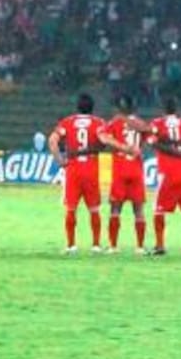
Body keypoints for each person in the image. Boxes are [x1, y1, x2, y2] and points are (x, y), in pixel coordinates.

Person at [140, 97, 181, 255]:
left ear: (163, 109)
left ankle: (160, 245)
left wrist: (171, 148)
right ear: (177, 109)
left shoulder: (157, 123)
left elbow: (152, 142)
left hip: (167, 173)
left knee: (159, 210)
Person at [48, 93, 104, 254]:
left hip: (73, 168)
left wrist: (60, 160)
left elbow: (52, 140)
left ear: (77, 107)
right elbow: (104, 140)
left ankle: (71, 246)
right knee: (94, 209)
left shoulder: (67, 122)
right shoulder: (99, 122)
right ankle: (96, 245)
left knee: (71, 208)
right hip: (91, 168)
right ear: (92, 108)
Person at [98, 95, 149, 253]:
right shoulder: (140, 123)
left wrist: (121, 147)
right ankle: (140, 247)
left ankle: (113, 246)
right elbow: (148, 136)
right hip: (136, 168)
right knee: (138, 209)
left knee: (115, 208)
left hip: (120, 168)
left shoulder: (115, 122)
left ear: (120, 108)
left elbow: (103, 137)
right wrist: (138, 147)